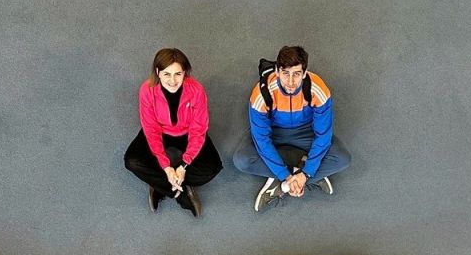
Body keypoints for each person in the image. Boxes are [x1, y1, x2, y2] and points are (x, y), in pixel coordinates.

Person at [233, 45, 351, 212]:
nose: (290, 82)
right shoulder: (261, 94)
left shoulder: (318, 89)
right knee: (242, 160)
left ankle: (285, 184)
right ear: (277, 71)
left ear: (304, 73)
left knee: (342, 158)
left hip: (306, 132)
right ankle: (305, 173)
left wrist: (306, 173)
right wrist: (286, 175)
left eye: (296, 74)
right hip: (274, 133)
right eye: (285, 73)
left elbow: (323, 135)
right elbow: (262, 140)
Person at [123, 48, 223, 216]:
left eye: (178, 74)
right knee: (132, 162)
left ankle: (158, 183)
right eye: (166, 74)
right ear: (158, 73)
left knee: (212, 168)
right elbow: (151, 129)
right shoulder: (147, 90)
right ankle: (178, 192)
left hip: (187, 132)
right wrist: (166, 167)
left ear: (185, 73)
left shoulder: (197, 90)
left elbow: (198, 129)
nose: (172, 81)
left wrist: (183, 166)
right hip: (160, 131)